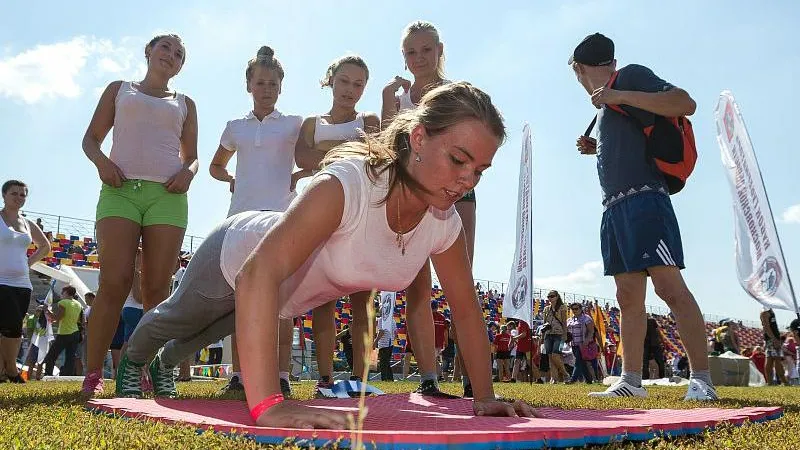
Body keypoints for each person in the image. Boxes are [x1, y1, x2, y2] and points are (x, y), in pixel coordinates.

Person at [117, 82, 531, 428]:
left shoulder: (444, 222)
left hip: (283, 292)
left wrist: (484, 396)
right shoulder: (347, 185)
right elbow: (256, 274)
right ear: (419, 138)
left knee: (213, 329)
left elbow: (465, 310)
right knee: (180, 316)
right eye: (459, 159)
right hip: (235, 254)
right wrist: (268, 406)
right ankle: (133, 361)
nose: (467, 179)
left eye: (479, 170)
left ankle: (165, 364)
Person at [569, 33, 715, 400]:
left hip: (645, 202)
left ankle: (702, 379)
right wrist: (597, 149)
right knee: (628, 296)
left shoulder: (629, 77)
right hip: (615, 207)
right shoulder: (604, 107)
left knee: (669, 288)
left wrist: (618, 95)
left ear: (578, 69)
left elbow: (686, 102)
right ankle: (630, 381)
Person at [81, 33, 198, 397]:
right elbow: (91, 140)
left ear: (180, 66)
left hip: (167, 197)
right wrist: (102, 164)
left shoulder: (185, 102)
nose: (171, 55)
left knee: (156, 291)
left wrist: (188, 172)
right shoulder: (120, 89)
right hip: (119, 192)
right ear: (148, 51)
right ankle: (93, 374)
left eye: (179, 54)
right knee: (113, 284)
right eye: (165, 47)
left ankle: (146, 370)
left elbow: (192, 156)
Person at [382, 21, 477, 397]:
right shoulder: (398, 98)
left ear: (440, 50)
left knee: (461, 284)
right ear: (404, 58)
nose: (419, 58)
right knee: (417, 286)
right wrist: (391, 105)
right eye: (411, 52)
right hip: (414, 197)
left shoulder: (458, 94)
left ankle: (473, 379)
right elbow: (389, 148)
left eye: (426, 50)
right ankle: (428, 379)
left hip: (456, 195)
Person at [208, 45, 301, 396]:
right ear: (249, 85)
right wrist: (231, 180)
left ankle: (281, 375)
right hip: (240, 220)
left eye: (273, 84)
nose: (267, 89)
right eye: (260, 83)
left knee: (282, 300)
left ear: (281, 87)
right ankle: (240, 375)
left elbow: (314, 153)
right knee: (241, 295)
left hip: (281, 218)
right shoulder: (235, 128)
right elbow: (216, 166)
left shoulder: (293, 125)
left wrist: (299, 174)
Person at [292, 54, 379, 391]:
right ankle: (325, 379)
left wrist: (325, 153)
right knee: (323, 299)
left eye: (358, 84)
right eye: (344, 81)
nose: (350, 90)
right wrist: (346, 149)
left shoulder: (370, 119)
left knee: (362, 301)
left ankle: (360, 379)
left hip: (361, 215)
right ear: (331, 80)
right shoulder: (312, 123)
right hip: (320, 215)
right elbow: (301, 157)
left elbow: (372, 156)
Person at [0, 180, 50, 383]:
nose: (19, 198)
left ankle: (6, 370)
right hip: (1, 281)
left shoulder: (28, 224)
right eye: (14, 193)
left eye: (23, 195)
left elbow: (45, 246)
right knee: (6, 326)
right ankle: (8, 370)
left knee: (12, 327)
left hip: (22, 283)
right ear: (4, 195)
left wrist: (28, 263)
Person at [43, 286, 84, 376]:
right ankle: (67, 375)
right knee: (70, 357)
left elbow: (58, 317)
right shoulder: (78, 304)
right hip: (75, 332)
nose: (61, 294)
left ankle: (48, 374)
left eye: (62, 292)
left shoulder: (63, 302)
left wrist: (47, 311)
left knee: (51, 356)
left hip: (64, 333)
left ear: (66, 293)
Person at [541, 290, 570, 382]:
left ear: (557, 297)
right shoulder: (546, 309)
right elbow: (544, 322)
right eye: (548, 296)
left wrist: (565, 335)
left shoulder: (562, 307)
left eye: (552, 296)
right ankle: (554, 378)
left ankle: (565, 374)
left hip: (560, 334)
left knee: (556, 355)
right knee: (550, 356)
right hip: (548, 334)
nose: (550, 298)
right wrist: (542, 335)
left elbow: (564, 322)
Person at [566, 303, 595, 384]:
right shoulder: (570, 320)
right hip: (573, 344)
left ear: (581, 309)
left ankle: (572, 380)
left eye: (576, 309)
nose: (574, 310)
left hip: (583, 344)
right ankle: (589, 380)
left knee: (578, 361)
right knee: (582, 362)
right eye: (573, 309)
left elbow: (591, 331)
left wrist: (587, 340)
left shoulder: (586, 318)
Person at [759, 307, 787, 385]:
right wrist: (774, 339)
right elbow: (766, 327)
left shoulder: (768, 310)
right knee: (776, 360)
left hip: (772, 339)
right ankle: (784, 382)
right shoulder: (764, 312)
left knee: (770, 360)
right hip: (772, 340)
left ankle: (770, 383)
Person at [642, 315, 666, 379]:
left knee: (647, 362)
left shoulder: (651, 321)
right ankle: (660, 376)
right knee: (647, 362)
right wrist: (662, 342)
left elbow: (657, 330)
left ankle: (646, 377)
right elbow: (658, 331)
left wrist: (662, 342)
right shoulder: (649, 321)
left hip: (651, 343)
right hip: (650, 343)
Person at [375, 313, 396, 382]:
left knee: (383, 363)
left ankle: (384, 379)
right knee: (387, 363)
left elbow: (381, 331)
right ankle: (390, 378)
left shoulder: (381, 319)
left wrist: (375, 342)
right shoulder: (393, 320)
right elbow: (395, 333)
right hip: (390, 344)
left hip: (383, 344)